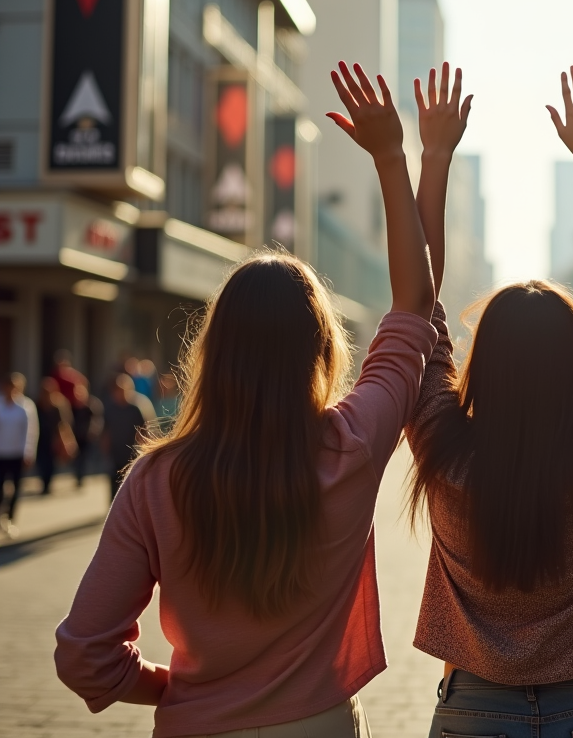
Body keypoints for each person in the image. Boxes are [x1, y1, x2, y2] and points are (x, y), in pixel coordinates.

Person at [54, 62, 437, 737]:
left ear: (215, 351)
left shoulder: (157, 479)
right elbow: (414, 305)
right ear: (322, 352)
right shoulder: (351, 444)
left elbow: (84, 655)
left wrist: (175, 689)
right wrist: (389, 157)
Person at [405, 65, 573, 737]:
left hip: (471, 709)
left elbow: (416, 307)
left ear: (482, 363)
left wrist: (433, 157)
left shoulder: (447, 456)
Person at [101, 374, 155, 501]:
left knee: (130, 483)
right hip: (115, 452)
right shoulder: (110, 409)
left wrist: (146, 450)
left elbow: (144, 430)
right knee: (114, 481)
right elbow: (106, 431)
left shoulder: (136, 408)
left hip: (132, 452)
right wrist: (105, 448)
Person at [0, 373, 38, 538]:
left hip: (17, 453)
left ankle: (10, 519)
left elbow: (31, 432)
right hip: (1, 453)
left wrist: (28, 452)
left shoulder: (25, 406)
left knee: (15, 487)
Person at [36, 376, 77, 495]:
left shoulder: (58, 405)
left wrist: (64, 439)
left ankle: (47, 484)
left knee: (50, 462)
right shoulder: (38, 404)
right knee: (41, 461)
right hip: (40, 437)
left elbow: (64, 423)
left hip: (53, 437)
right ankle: (44, 481)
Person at [72, 383, 104, 488]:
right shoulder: (73, 407)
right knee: (77, 458)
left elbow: (97, 420)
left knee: (85, 457)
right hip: (75, 436)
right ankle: (78, 476)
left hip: (87, 436)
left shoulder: (91, 406)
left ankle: (82, 476)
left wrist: (94, 431)